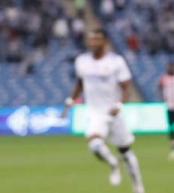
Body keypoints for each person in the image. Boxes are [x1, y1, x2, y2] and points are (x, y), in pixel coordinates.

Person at [61, 29, 145, 193]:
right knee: (94, 143)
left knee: (125, 151)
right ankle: (113, 164)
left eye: (97, 39)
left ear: (105, 41)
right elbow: (80, 83)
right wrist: (70, 101)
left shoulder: (116, 61)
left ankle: (138, 187)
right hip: (95, 112)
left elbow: (126, 88)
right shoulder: (82, 61)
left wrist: (119, 105)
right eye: (92, 39)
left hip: (113, 112)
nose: (94, 42)